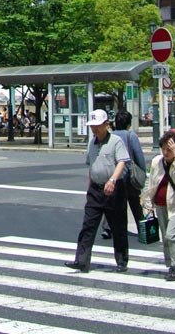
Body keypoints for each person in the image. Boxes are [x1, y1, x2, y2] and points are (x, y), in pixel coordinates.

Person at [64, 109, 130, 274]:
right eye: (92, 126)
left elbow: (122, 161)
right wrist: (89, 187)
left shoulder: (116, 141)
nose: (95, 129)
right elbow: (92, 166)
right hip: (96, 189)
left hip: (114, 188)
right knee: (88, 225)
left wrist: (113, 180)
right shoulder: (91, 143)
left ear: (106, 125)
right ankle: (82, 261)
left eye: (98, 126)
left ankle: (121, 260)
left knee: (118, 227)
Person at [142, 130, 175, 281]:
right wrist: (148, 203)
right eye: (163, 148)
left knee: (171, 235)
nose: (166, 152)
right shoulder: (158, 161)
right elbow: (151, 182)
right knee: (165, 238)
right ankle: (173, 264)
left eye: (169, 149)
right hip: (161, 205)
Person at [102, 110, 146, 240]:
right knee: (134, 203)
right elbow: (139, 156)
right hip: (128, 175)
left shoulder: (110, 136)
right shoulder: (131, 136)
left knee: (111, 201)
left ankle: (107, 228)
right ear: (128, 123)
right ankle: (142, 229)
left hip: (112, 175)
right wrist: (142, 172)